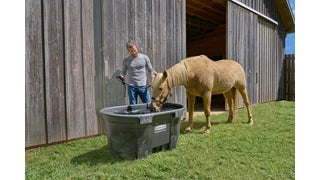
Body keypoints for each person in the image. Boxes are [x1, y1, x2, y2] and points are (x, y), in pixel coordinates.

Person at [118, 40, 154, 104]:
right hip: (132, 87)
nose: (134, 52)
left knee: (149, 105)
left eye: (134, 50)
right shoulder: (126, 60)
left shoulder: (145, 58)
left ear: (136, 47)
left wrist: (152, 82)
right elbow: (123, 72)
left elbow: (151, 71)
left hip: (143, 86)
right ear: (128, 51)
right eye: (131, 51)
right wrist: (121, 76)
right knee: (133, 109)